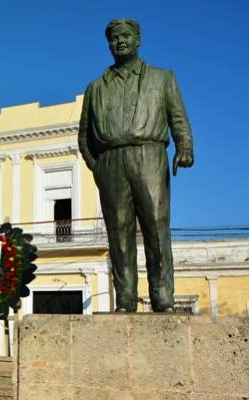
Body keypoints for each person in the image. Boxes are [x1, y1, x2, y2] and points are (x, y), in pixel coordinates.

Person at [78, 18, 194, 312]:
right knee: (119, 234)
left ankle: (163, 296)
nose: (120, 42)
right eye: (114, 38)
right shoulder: (96, 87)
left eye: (125, 36)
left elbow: (177, 116)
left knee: (156, 227)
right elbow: (84, 135)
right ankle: (126, 300)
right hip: (110, 161)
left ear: (138, 39)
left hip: (150, 155)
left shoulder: (163, 77)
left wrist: (185, 146)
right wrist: (98, 166)